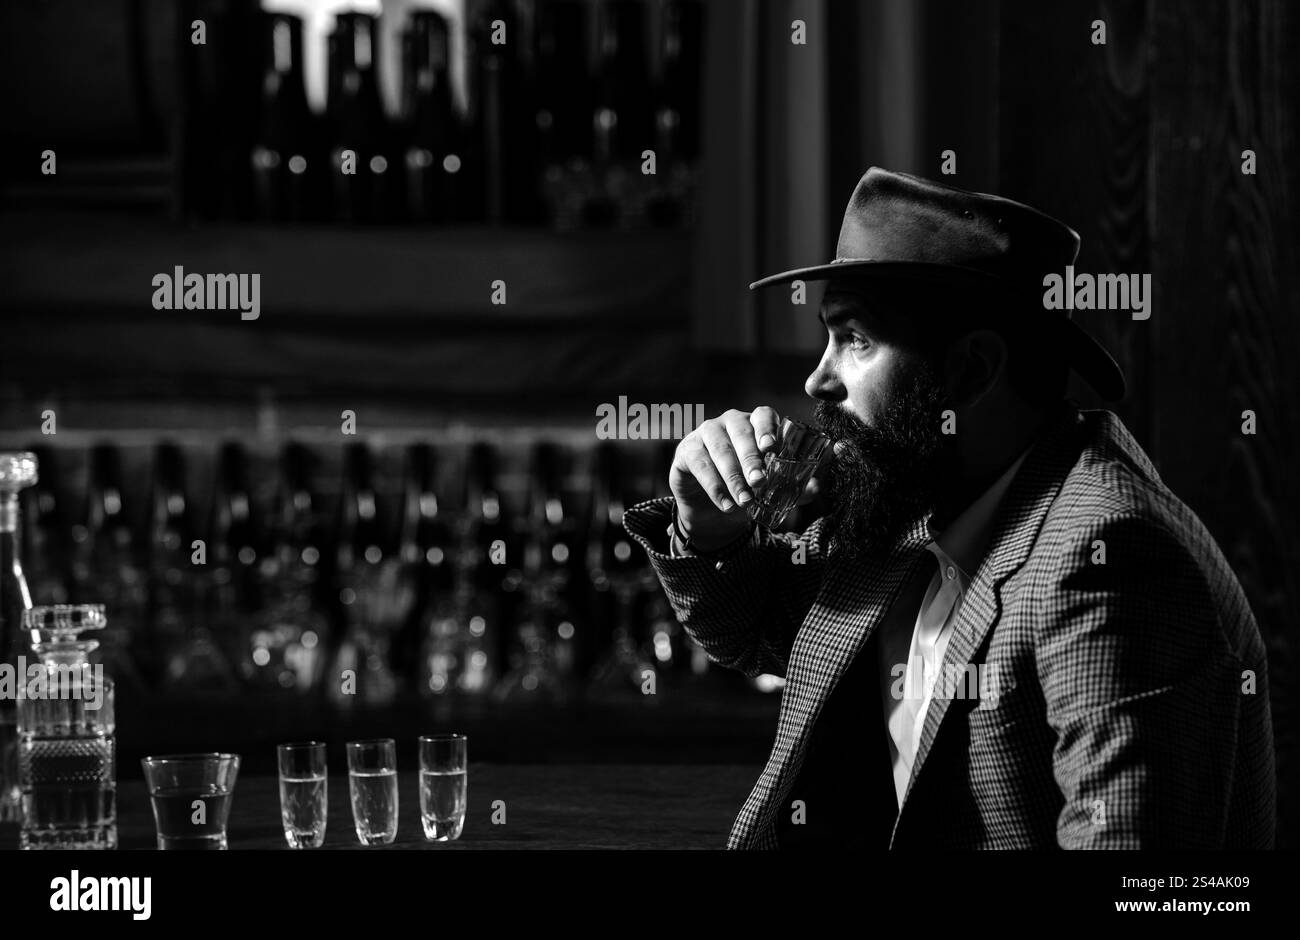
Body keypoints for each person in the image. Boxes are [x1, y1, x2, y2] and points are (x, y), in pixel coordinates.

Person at [623, 167, 1276, 849]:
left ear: (969, 371)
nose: (818, 379)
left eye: (855, 339)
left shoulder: (1106, 559)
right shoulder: (911, 495)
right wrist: (710, 527)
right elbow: (750, 632)